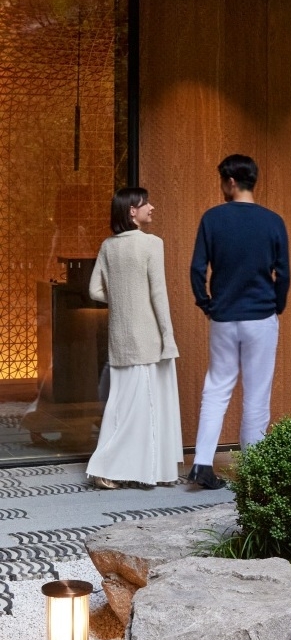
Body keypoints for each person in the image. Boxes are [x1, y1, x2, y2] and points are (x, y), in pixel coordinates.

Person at [187, 154, 290, 490]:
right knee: (257, 395)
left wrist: (206, 303)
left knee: (216, 388)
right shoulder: (273, 221)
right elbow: (283, 273)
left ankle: (202, 463)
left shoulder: (212, 219)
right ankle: (254, 470)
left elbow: (198, 269)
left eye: (221, 181)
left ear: (231, 182)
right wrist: (277, 305)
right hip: (261, 317)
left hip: (224, 318)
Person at [86, 187, 182, 490]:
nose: (151, 207)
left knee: (123, 407)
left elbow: (94, 291)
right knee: (151, 407)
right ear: (132, 211)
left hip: (120, 339)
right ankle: (109, 467)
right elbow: (158, 295)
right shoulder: (152, 244)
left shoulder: (108, 246)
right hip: (149, 338)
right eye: (145, 204)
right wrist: (168, 337)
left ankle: (138, 470)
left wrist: (123, 299)